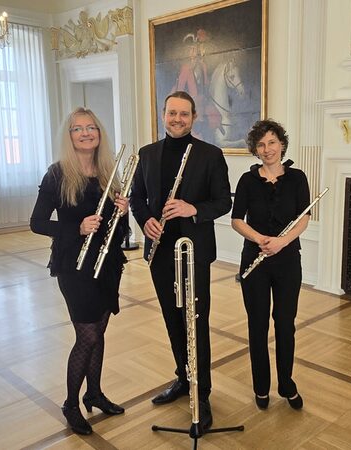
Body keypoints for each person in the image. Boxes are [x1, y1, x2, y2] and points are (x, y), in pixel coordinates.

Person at [130, 91, 232, 432]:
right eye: (172, 113)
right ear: (163, 114)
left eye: (184, 114)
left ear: (194, 117)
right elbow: (137, 198)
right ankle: (182, 378)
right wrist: (145, 220)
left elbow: (223, 202)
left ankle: (201, 394)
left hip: (194, 252)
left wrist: (193, 209)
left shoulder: (210, 155)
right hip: (160, 251)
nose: (177, 119)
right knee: (173, 319)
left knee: (195, 321)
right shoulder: (147, 154)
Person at [30, 107, 128, 435]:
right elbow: (37, 223)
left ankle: (95, 393)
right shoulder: (56, 175)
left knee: (99, 332)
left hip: (107, 262)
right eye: (77, 129)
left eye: (91, 128)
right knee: (87, 334)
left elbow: (118, 229)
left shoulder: (108, 173)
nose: (86, 133)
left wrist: (123, 212)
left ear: (99, 134)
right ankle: (71, 402)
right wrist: (77, 227)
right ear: (69, 136)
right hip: (74, 264)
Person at [231, 119, 310, 411]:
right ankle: (261, 387)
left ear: (282, 144)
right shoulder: (247, 181)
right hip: (255, 259)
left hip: (288, 259)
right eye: (261, 144)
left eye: (272, 142)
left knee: (285, 324)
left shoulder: (298, 178)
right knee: (257, 325)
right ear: (255, 149)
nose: (267, 149)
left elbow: (304, 217)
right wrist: (260, 238)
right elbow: (237, 219)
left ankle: (287, 384)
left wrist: (282, 242)